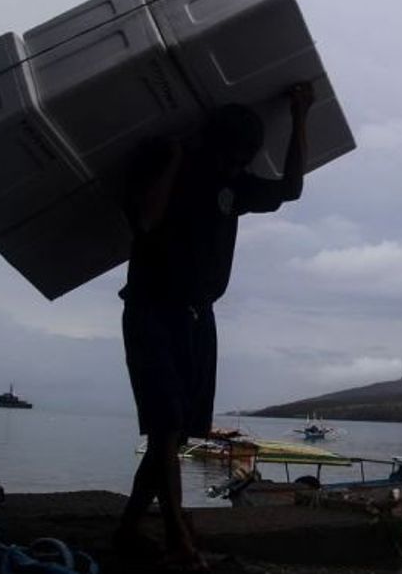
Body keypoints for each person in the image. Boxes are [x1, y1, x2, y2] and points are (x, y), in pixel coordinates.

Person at [113, 85, 314, 569]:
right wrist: (172, 162)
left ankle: (127, 530)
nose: (238, 166)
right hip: (151, 311)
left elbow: (289, 189)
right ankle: (177, 538)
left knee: (176, 435)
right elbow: (145, 220)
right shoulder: (169, 163)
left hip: (199, 319)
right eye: (233, 156)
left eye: (244, 158)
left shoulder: (236, 184)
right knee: (164, 428)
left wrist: (301, 114)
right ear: (213, 145)